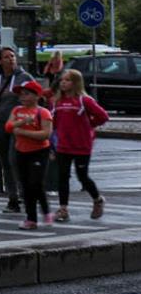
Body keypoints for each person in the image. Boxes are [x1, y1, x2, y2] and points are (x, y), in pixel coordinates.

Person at [0, 46, 39, 214]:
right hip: (1, 125)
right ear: (0, 61)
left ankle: (25, 194)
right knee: (5, 163)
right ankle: (13, 198)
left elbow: (37, 97)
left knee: (15, 160)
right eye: (6, 57)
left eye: (12, 56)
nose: (11, 59)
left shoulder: (24, 77)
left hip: (20, 126)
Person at [51, 68, 110, 221]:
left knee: (82, 176)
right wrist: (51, 144)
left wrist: (90, 125)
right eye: (62, 80)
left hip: (81, 145)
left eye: (68, 80)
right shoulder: (58, 101)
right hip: (63, 145)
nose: (63, 83)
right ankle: (63, 209)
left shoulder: (84, 100)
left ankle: (97, 199)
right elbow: (54, 124)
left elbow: (103, 116)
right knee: (62, 176)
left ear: (76, 83)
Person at [7, 80, 55, 229]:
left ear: (36, 96)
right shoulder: (16, 110)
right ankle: (31, 218)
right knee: (26, 185)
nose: (22, 97)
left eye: (26, 94)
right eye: (21, 95)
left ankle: (46, 211)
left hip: (39, 152)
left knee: (36, 183)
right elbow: (9, 127)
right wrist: (22, 123)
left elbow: (46, 134)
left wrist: (22, 132)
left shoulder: (43, 112)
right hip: (21, 151)